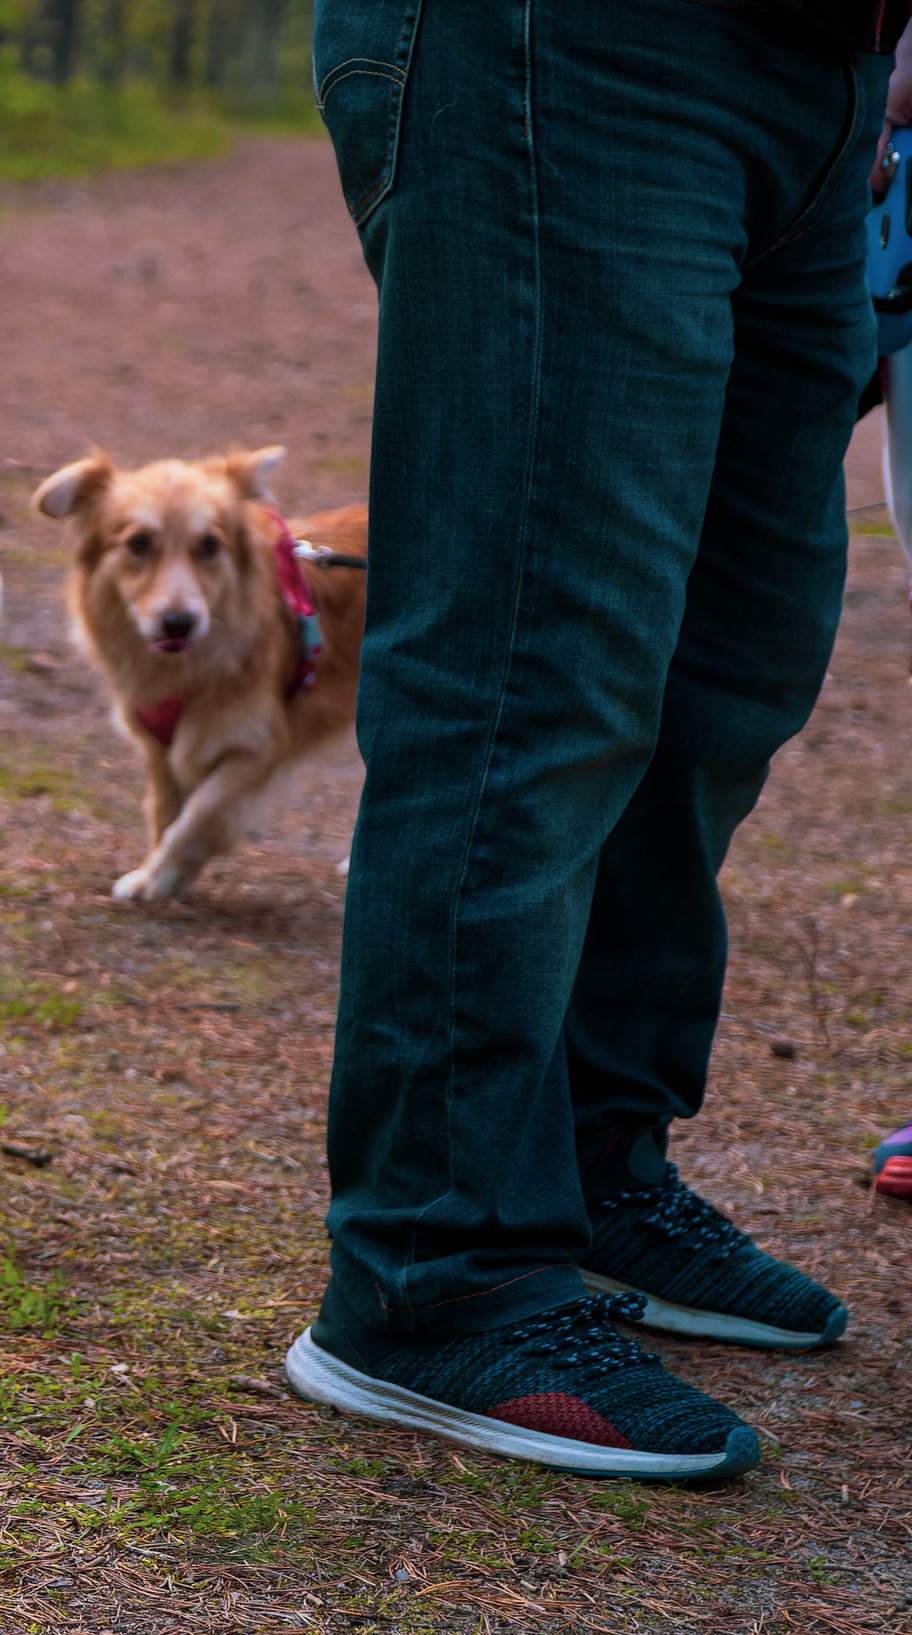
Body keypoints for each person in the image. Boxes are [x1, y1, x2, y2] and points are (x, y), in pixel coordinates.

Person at [283, 3, 903, 1481]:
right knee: (534, 660)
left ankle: (590, 1167)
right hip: (572, 44)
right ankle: (437, 1276)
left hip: (825, 74)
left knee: (728, 663)